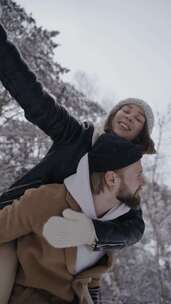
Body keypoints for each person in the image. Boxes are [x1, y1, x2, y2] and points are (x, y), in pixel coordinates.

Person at [0, 21, 155, 302]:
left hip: (63, 262)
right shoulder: (76, 136)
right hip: (16, 228)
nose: (130, 115)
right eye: (125, 109)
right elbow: (33, 97)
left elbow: (134, 229)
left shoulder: (126, 185)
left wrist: (91, 232)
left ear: (141, 138)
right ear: (111, 117)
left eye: (138, 118)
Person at [0, 132, 145, 304]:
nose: (143, 181)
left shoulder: (114, 220)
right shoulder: (45, 200)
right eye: (138, 175)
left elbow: (91, 273)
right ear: (111, 179)